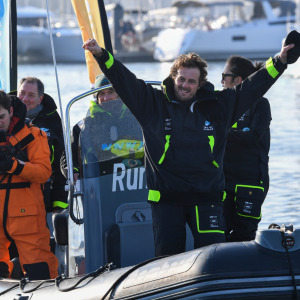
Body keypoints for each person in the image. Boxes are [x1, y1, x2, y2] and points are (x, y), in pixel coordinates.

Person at [82, 36, 294, 257]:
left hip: (206, 198)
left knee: (215, 258)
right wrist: (101, 54)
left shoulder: (219, 106)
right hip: (166, 201)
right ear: (173, 77)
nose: (185, 85)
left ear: (200, 84)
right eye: (181, 79)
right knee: (167, 260)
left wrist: (280, 61)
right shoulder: (152, 103)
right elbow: (124, 79)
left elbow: (253, 87)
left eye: (191, 82)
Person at [0, 91, 58, 279]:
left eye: (1, 117)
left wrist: (13, 166)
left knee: (41, 272)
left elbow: (43, 172)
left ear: (10, 111)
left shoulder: (34, 136)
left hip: (28, 220)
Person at [221, 56, 271, 242]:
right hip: (223, 184)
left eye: (225, 76)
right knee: (219, 236)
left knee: (243, 236)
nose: (222, 81)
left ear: (238, 80)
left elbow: (253, 137)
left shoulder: (260, 104)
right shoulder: (223, 104)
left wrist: (222, 133)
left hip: (250, 185)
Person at [71, 74, 143, 181]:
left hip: (138, 181)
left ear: (119, 94)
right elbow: (69, 155)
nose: (106, 98)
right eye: (101, 94)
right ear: (96, 96)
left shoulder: (138, 117)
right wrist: (73, 170)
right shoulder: (84, 125)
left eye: (110, 92)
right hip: (101, 184)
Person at [17, 77, 68, 213]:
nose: (25, 98)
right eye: (22, 93)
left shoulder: (52, 121)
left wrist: (59, 205)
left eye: (31, 95)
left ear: (40, 99)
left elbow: (60, 162)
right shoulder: (4, 115)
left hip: (41, 198)